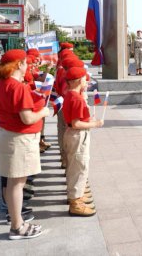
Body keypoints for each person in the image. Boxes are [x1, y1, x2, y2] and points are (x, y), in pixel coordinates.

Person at [0, 49, 49, 240]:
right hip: (19, 140)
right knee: (18, 183)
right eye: (24, 63)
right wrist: (44, 112)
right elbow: (27, 118)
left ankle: (17, 221)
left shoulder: (2, 84)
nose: (27, 66)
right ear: (18, 65)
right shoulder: (18, 87)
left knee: (11, 182)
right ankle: (17, 226)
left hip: (7, 136)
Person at [63, 66, 103, 216]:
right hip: (77, 135)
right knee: (79, 167)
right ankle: (75, 202)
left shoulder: (70, 95)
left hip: (73, 134)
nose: (87, 82)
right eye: (86, 79)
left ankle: (77, 195)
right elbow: (76, 123)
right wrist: (95, 124)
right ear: (80, 80)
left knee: (77, 166)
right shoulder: (77, 99)